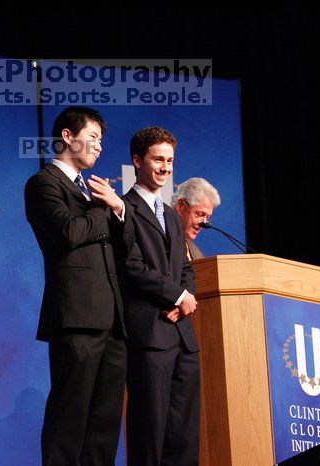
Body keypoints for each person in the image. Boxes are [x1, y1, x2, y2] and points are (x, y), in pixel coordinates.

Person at [24, 106, 134, 466]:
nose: (100, 147)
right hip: (77, 318)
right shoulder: (44, 183)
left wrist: (118, 210)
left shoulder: (91, 194)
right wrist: (104, 209)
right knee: (68, 420)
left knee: (104, 427)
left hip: (112, 321)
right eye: (93, 137)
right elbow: (67, 233)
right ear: (67, 137)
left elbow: (119, 247)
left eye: (102, 140)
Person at [118, 127, 199, 466]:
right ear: (137, 161)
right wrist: (178, 295)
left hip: (182, 337)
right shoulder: (122, 208)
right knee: (149, 432)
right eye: (158, 159)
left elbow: (186, 269)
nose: (165, 168)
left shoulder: (170, 215)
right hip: (149, 335)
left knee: (183, 435)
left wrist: (186, 300)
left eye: (170, 161)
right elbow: (131, 267)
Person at [171, 177, 221, 260]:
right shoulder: (158, 242)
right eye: (200, 214)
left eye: (207, 217)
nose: (204, 223)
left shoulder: (197, 254)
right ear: (180, 206)